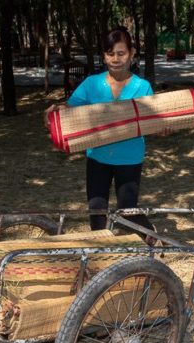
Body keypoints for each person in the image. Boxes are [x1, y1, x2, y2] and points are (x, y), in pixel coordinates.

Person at [45, 27, 168, 238]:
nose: (116, 59)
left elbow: (151, 122)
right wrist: (55, 112)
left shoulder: (143, 86)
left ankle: (151, 239)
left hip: (129, 158)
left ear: (131, 53)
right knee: (96, 209)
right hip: (97, 157)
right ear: (104, 55)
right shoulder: (92, 84)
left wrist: (162, 129)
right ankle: (100, 253)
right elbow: (71, 108)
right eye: (110, 54)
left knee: (127, 209)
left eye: (121, 53)